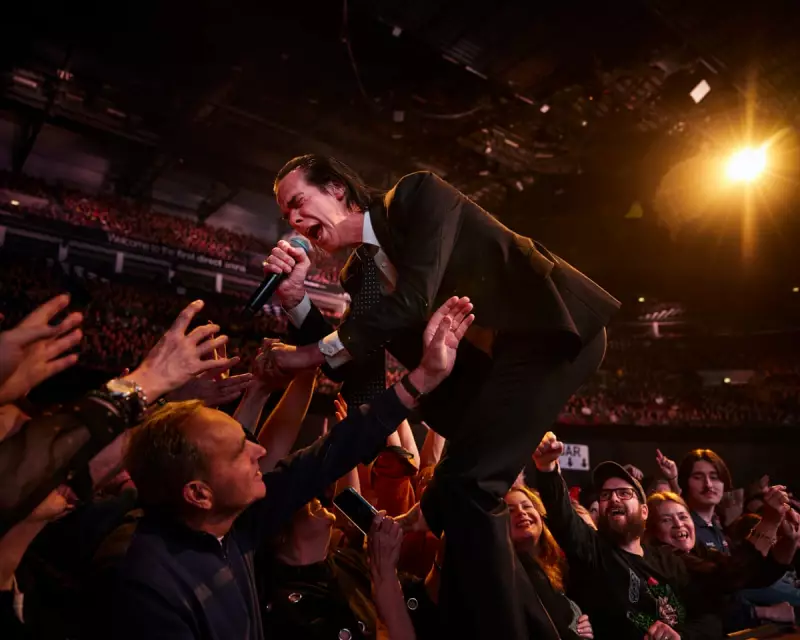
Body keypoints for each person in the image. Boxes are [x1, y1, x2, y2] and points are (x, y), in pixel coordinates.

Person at [263, 155, 619, 638]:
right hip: (488, 383)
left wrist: (307, 355)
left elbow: (413, 298)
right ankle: (544, 628)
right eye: (286, 215)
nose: (294, 220)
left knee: (473, 489)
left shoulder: (415, 197)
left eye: (299, 202)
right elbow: (360, 379)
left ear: (338, 189)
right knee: (457, 503)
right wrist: (297, 300)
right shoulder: (358, 278)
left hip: (551, 337)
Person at [110, 297, 472, 640]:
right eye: (239, 450)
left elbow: (334, 450)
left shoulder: (238, 525)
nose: (258, 450)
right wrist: (143, 387)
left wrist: (424, 378)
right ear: (199, 493)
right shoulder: (145, 583)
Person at [533, 431, 796, 640]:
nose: (612, 497)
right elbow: (564, 517)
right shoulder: (594, 552)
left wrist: (681, 636)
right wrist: (547, 469)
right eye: (605, 495)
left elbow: (714, 610)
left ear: (644, 511)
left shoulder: (670, 559)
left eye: (624, 493)